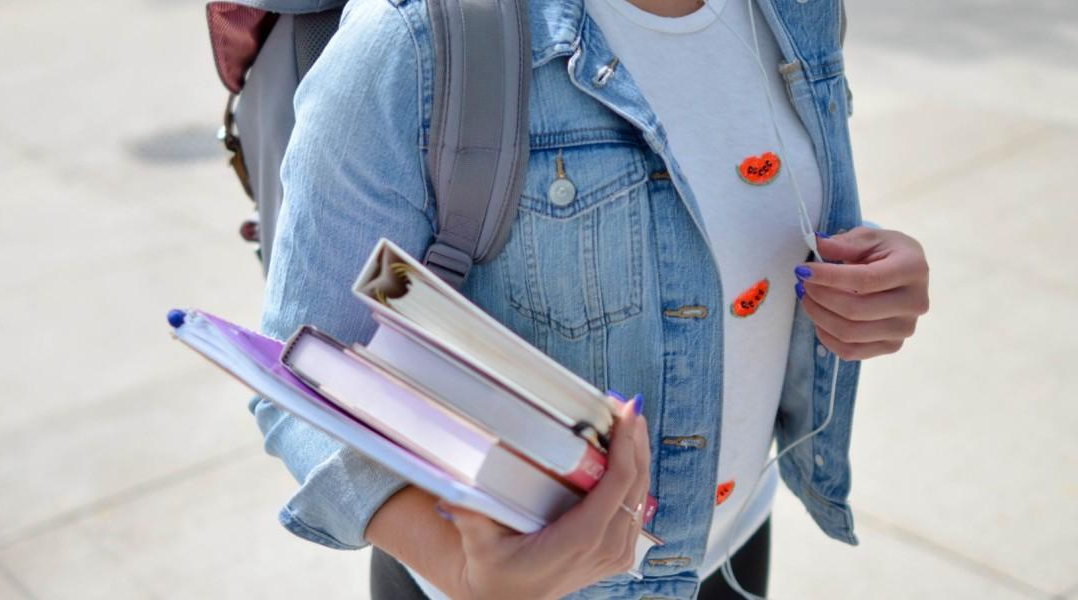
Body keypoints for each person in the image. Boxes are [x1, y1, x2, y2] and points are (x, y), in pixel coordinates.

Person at [251, 0, 931, 598]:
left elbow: (769, 222)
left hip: (734, 547)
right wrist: (465, 572)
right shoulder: (414, 38)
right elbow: (304, 373)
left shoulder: (796, 11)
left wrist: (872, 284)